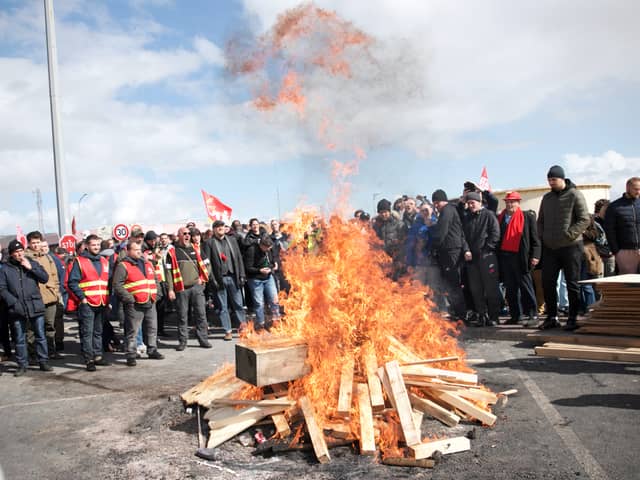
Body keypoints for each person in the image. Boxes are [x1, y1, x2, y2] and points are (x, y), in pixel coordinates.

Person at [537, 165, 590, 330]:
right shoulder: (547, 198)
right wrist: (543, 236)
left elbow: (584, 219)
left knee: (572, 283)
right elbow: (541, 221)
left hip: (571, 247)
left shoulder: (575, 194)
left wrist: (568, 235)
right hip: (550, 248)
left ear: (562, 178)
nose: (551, 182)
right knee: (548, 282)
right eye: (549, 180)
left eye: (554, 179)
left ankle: (573, 317)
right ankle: (551, 317)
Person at [0, 240, 52, 376]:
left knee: (40, 335)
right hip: (17, 308)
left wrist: (30, 267)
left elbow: (44, 278)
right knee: (19, 337)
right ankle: (22, 364)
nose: (19, 254)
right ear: (11, 254)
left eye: (21, 251)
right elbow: (2, 289)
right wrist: (13, 302)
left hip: (35, 305)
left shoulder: (32, 263)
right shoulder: (5, 269)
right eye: (16, 252)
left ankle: (43, 361)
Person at [112, 242, 164, 366]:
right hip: (134, 304)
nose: (139, 252)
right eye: (135, 250)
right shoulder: (123, 265)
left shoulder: (148, 263)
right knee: (132, 330)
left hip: (150, 300)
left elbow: (155, 280)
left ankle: (152, 350)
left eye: (140, 249)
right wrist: (129, 298)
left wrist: (157, 294)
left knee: (152, 328)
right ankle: (131, 354)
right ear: (128, 251)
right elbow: (117, 285)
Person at [66, 234, 112, 371]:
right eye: (93, 245)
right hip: (87, 304)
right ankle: (89, 359)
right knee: (88, 333)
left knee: (98, 331)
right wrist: (82, 298)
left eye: (98, 245)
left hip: (102, 302)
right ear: (87, 246)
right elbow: (72, 282)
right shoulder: (79, 261)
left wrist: (108, 301)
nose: (96, 247)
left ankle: (98, 356)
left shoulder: (104, 261)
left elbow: (106, 283)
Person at [497, 191, 541, 327]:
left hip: (521, 257)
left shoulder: (527, 217)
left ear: (518, 203)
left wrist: (535, 256)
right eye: (508, 202)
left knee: (526, 287)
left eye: (512, 201)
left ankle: (533, 314)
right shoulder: (501, 217)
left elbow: (535, 239)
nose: (510, 204)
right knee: (510, 289)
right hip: (505, 257)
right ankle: (516, 315)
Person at [165, 227, 211, 350]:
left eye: (189, 234)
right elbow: (168, 272)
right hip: (181, 289)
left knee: (201, 314)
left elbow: (207, 264)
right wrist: (170, 289)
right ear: (178, 235)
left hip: (197, 287)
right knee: (182, 316)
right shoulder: (172, 252)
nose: (187, 236)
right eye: (184, 233)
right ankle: (182, 341)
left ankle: (203, 339)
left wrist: (203, 278)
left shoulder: (197, 249)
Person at [461, 191, 501, 327]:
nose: (470, 205)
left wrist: (486, 249)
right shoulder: (467, 218)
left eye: (473, 202)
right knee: (475, 289)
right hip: (472, 260)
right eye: (468, 203)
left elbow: (495, 234)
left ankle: (494, 316)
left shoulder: (489, 215)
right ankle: (481, 315)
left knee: (491, 289)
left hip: (487, 257)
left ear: (479, 202)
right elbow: (463, 237)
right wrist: (466, 249)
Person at [206, 220, 247, 340]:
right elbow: (207, 264)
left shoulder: (232, 240)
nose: (220, 228)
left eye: (222, 226)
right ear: (213, 229)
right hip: (219, 279)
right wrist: (212, 279)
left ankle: (243, 328)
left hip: (233, 277)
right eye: (217, 227)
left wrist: (242, 275)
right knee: (223, 307)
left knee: (238, 304)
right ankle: (227, 331)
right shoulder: (209, 243)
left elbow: (239, 258)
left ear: (225, 228)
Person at [430, 189, 468, 321]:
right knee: (450, 283)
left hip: (451, 251)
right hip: (449, 251)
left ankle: (461, 314)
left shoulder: (447, 210)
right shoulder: (448, 210)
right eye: (434, 203)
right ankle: (457, 312)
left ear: (443, 200)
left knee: (453, 283)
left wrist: (433, 247)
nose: (435, 205)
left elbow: (441, 232)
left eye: (437, 202)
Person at [24, 231, 63, 359]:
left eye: (38, 242)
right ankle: (33, 354)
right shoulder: (24, 258)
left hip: (50, 297)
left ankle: (51, 351)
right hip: (33, 299)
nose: (36, 245)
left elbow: (54, 276)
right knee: (31, 329)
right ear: (28, 243)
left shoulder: (47, 257)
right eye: (33, 243)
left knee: (50, 326)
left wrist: (55, 291)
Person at [604, 176, 640, 274]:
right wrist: (616, 251)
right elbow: (609, 230)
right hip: (625, 252)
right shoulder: (614, 207)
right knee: (627, 285)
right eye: (636, 189)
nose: (639, 192)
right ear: (628, 188)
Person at [243, 236, 280, 330]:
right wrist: (260, 270)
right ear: (261, 245)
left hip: (268, 277)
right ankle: (261, 323)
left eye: (270, 247)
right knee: (259, 303)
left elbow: (274, 256)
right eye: (267, 247)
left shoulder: (269, 249)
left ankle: (276, 321)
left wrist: (274, 263)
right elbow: (248, 267)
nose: (269, 249)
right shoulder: (251, 250)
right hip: (256, 279)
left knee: (274, 300)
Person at [372, 198, 406, 280]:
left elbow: (405, 241)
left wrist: (400, 257)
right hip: (382, 260)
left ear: (389, 211)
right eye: (381, 212)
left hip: (396, 259)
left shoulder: (399, 224)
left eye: (385, 212)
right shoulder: (375, 226)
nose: (383, 214)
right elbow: (372, 241)